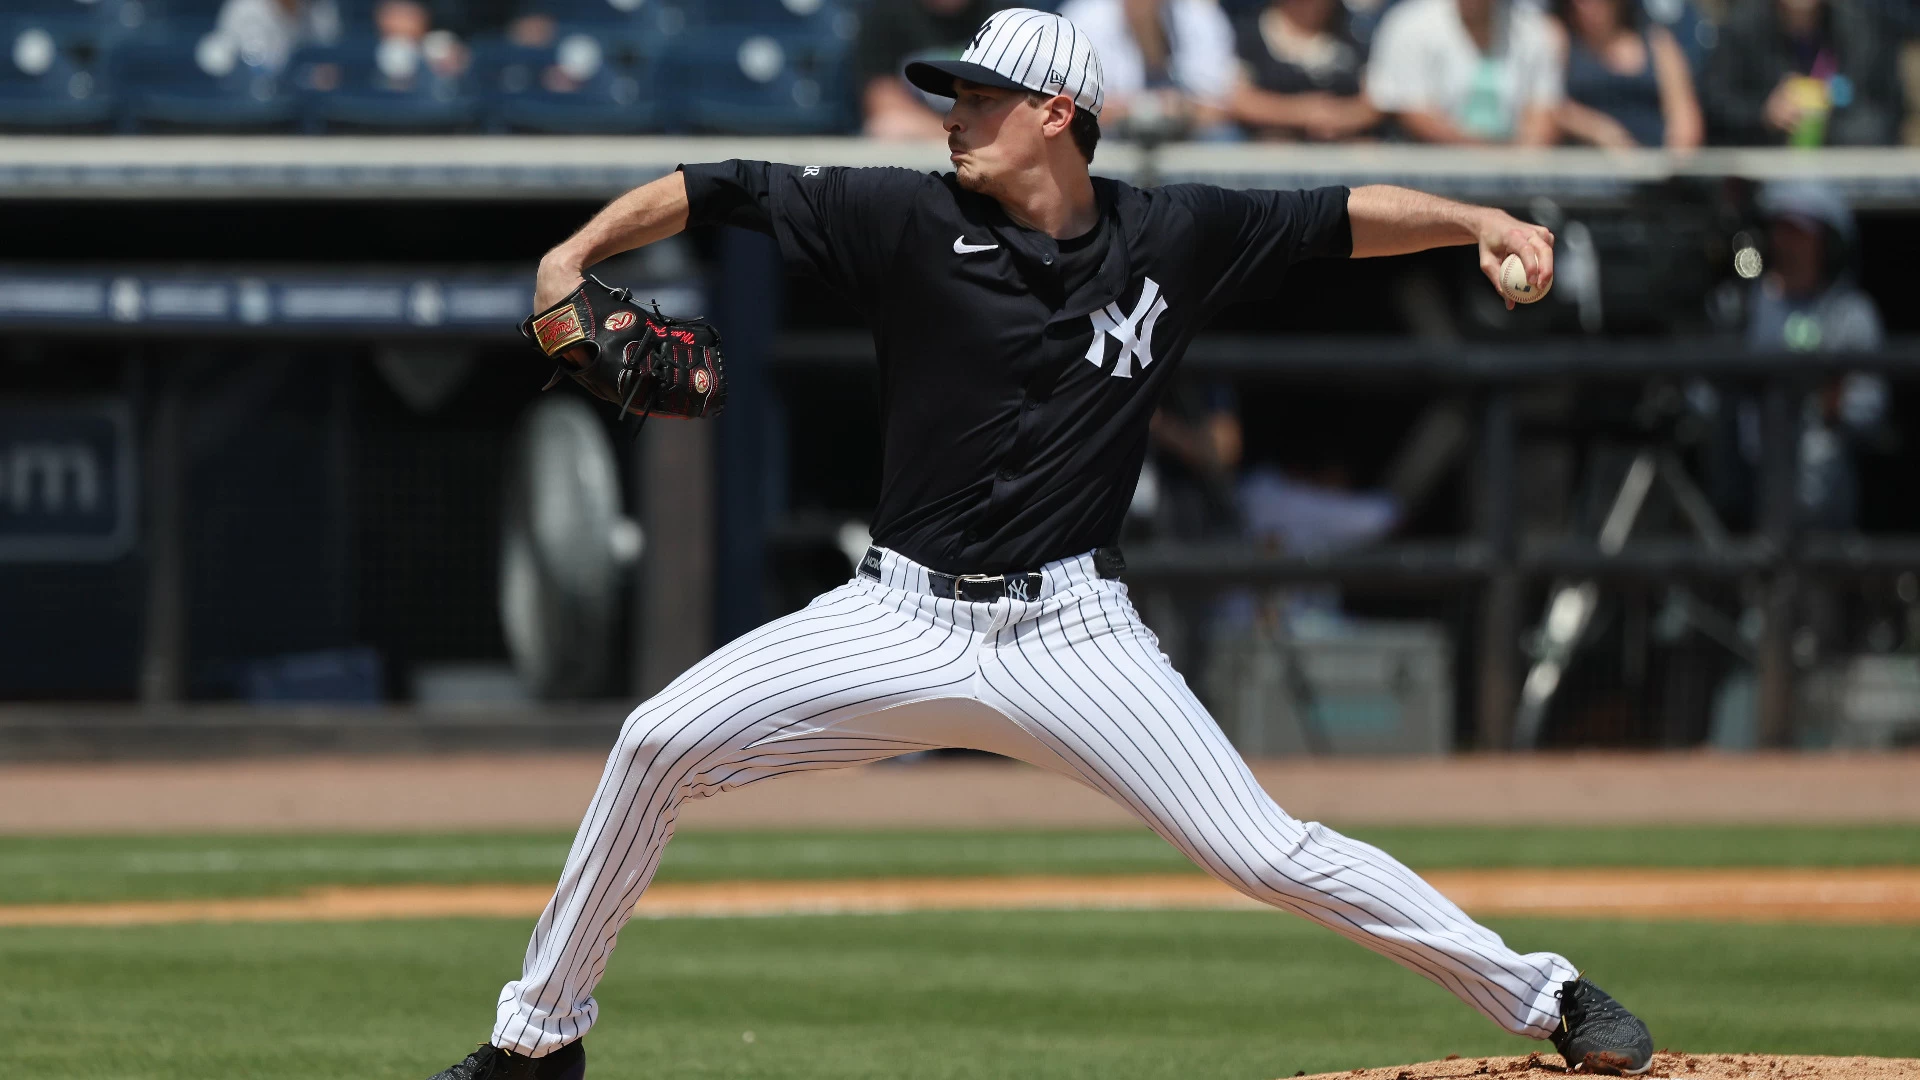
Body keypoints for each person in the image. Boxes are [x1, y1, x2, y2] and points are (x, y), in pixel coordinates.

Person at [426, 9, 1654, 1079]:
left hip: (1073, 634)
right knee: (654, 742)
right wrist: (573, 255)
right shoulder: (898, 218)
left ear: (1056, 113)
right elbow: (719, 183)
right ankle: (538, 1043)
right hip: (892, 614)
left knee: (1269, 850)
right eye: (952, 94)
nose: (953, 114)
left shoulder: (1170, 236)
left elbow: (1341, 216)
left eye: (978, 96)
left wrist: (1481, 215)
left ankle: (1547, 997)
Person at [1701, 0, 1902, 147]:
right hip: (1764, 168)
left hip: (1847, 164)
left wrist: (1833, 117)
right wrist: (1763, 113)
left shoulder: (1860, 29)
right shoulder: (1741, 27)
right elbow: (1715, 104)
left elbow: (1888, 109)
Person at [1365, 0, 1562, 145]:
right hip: (1423, 178)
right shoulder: (1409, 24)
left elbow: (1543, 113)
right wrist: (1491, 153)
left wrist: (1519, 159)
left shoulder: (1535, 32)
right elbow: (1412, 113)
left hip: (1516, 180)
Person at [1056, 0, 1240, 137]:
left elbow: (1225, 103)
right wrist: (1140, 108)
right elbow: (1066, 105)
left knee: (1223, 136)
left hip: (1188, 132)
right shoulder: (1083, 17)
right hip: (1112, 134)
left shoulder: (1199, 14)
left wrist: (1184, 108)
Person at [1549, 0, 1703, 148]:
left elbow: (1683, 115)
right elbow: (1552, 105)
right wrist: (1602, 133)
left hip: (1658, 161)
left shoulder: (1658, 41)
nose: (1587, 5)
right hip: (1588, 163)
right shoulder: (1560, 39)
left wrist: (1669, 163)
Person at [1227, 0, 1380, 140]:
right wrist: (1300, 112)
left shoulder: (1357, 31)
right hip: (1273, 143)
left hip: (1344, 142)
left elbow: (1376, 100)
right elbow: (1239, 100)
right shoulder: (1248, 33)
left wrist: (1339, 117)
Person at [856, 0, 1009, 138]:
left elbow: (1014, 101)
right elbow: (882, 100)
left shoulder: (1006, 14)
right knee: (888, 126)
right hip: (927, 134)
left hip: (985, 134)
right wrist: (951, 136)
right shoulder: (888, 12)